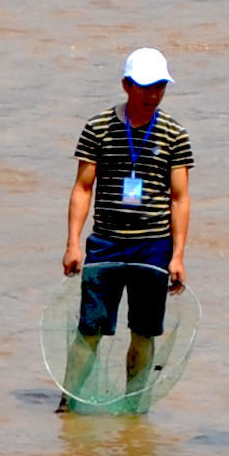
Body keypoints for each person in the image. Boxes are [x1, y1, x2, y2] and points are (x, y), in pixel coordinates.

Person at [59, 48, 190, 410]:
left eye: (160, 86)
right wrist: (73, 243)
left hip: (153, 247)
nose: (153, 94)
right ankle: (68, 403)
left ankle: (135, 404)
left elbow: (180, 198)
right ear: (126, 85)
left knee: (145, 332)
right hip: (106, 244)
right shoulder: (98, 127)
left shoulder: (173, 133)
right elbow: (83, 187)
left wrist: (177, 255)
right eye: (146, 86)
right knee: (90, 330)